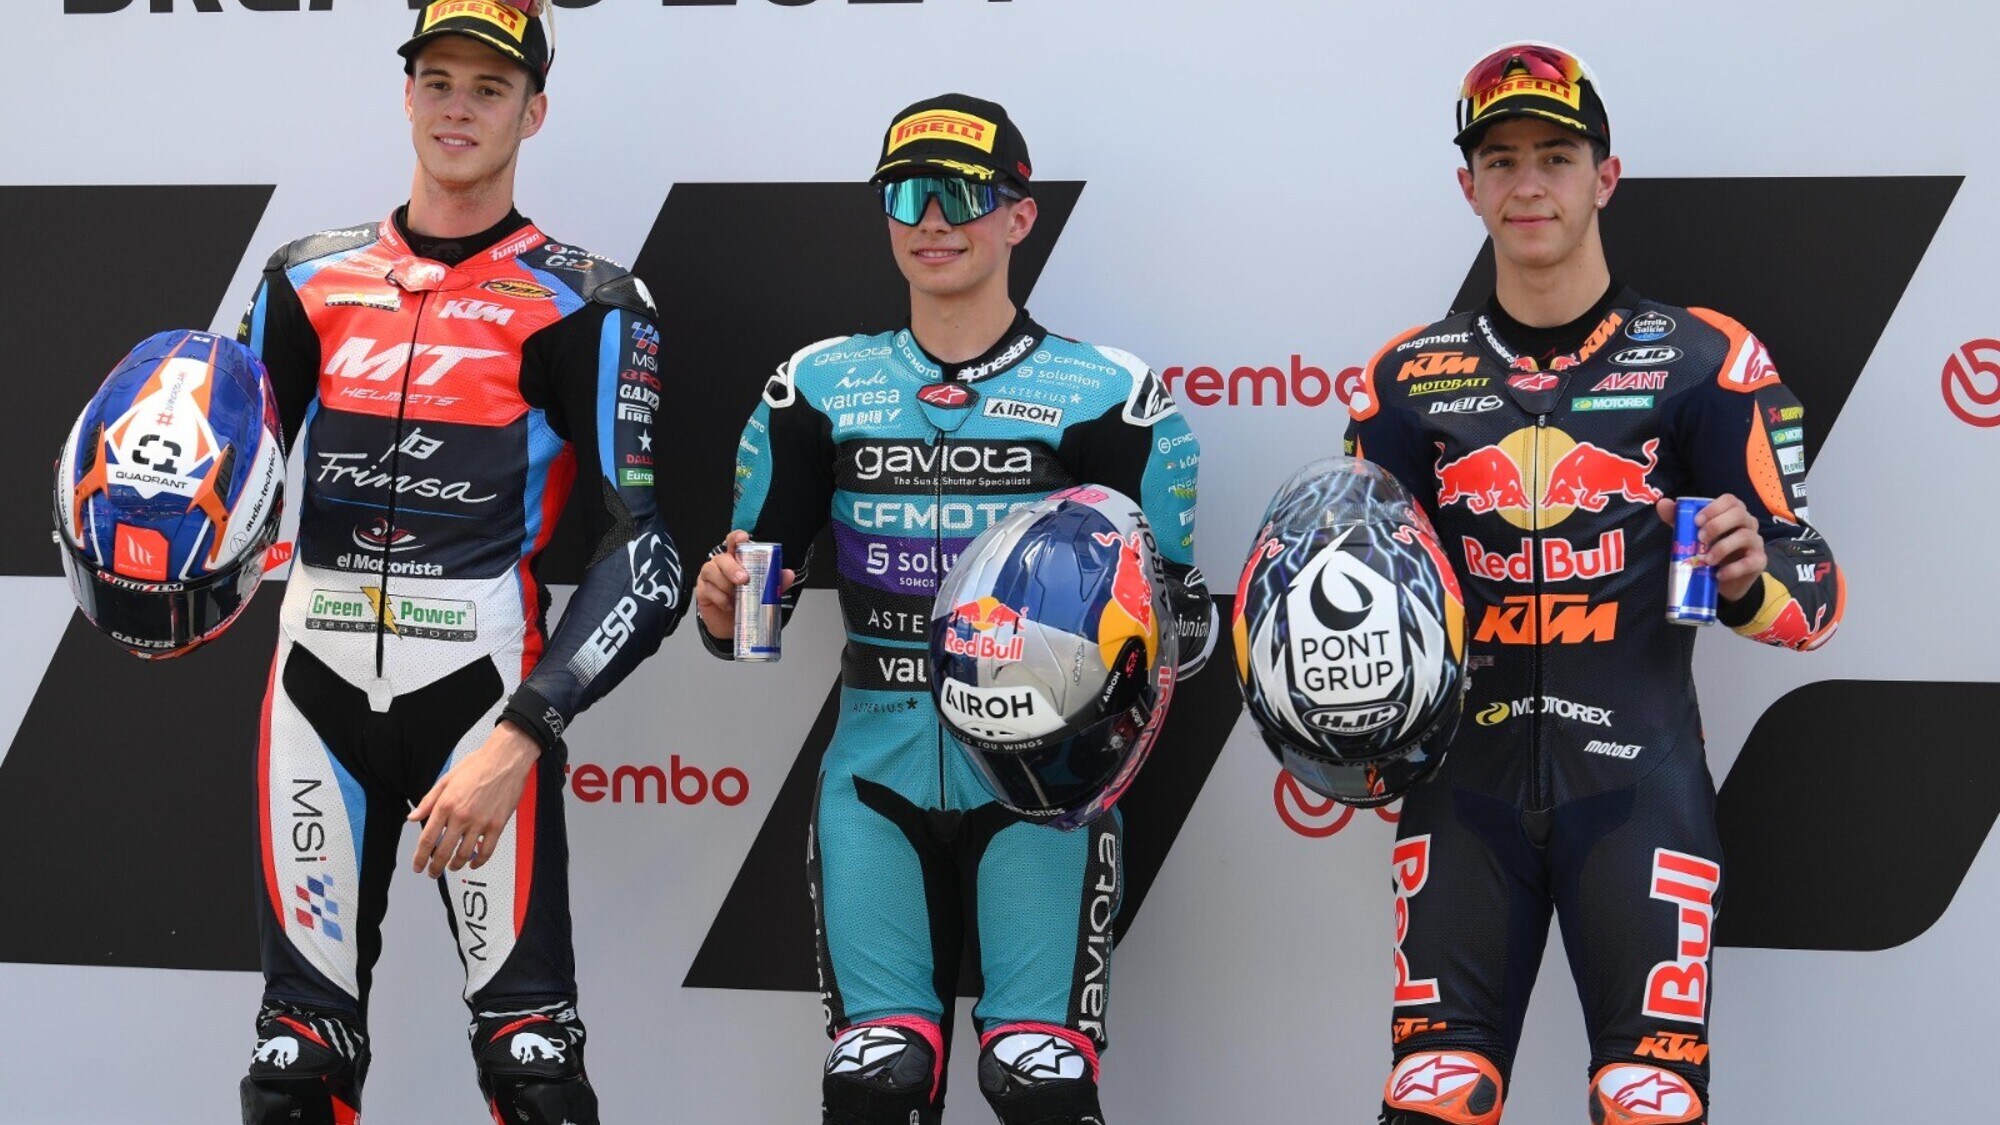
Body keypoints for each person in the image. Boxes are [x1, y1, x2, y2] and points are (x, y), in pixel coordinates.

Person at [1343, 43, 1845, 1125]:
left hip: (1641, 793)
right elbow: (1360, 594)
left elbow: (1813, 595)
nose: (1528, 184)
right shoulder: (1402, 380)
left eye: (1556, 157)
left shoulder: (1706, 360)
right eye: (1501, 160)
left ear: (1604, 177)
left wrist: (1749, 574)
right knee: (1432, 1101)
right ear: (1467, 185)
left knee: (1646, 1102)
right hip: (1459, 796)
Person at [695, 93, 1214, 1125]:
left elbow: (1179, 637)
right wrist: (725, 607)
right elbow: (749, 626)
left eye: (961, 194)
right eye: (906, 195)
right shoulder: (817, 385)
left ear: (1020, 214)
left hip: (1046, 791)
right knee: (874, 1085)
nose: (931, 219)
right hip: (872, 776)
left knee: (1039, 1082)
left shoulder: (1108, 393)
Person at [234, 3, 684, 1122]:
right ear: (406, 95)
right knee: (293, 1072)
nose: (458, 108)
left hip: (481, 708)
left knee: (535, 1075)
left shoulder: (590, 301)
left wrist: (523, 734)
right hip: (312, 698)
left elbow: (646, 550)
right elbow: (224, 484)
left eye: (489, 88)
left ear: (533, 112)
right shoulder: (303, 279)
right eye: (437, 80)